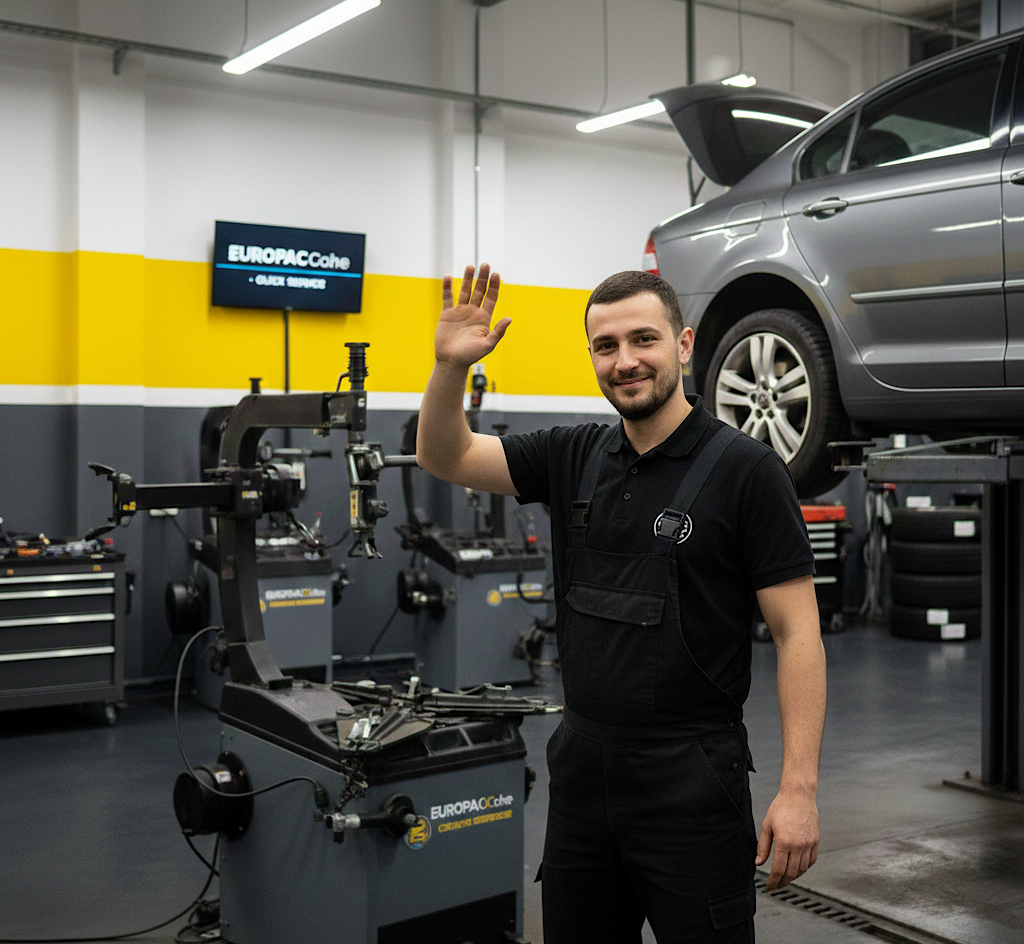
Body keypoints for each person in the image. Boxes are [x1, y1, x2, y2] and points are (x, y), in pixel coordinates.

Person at [417, 263, 826, 944]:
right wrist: (449, 368)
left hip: (692, 782)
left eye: (644, 340)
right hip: (582, 774)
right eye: (606, 346)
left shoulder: (748, 472)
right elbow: (445, 455)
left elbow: (798, 633)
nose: (626, 361)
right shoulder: (571, 453)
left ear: (684, 344)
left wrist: (799, 789)